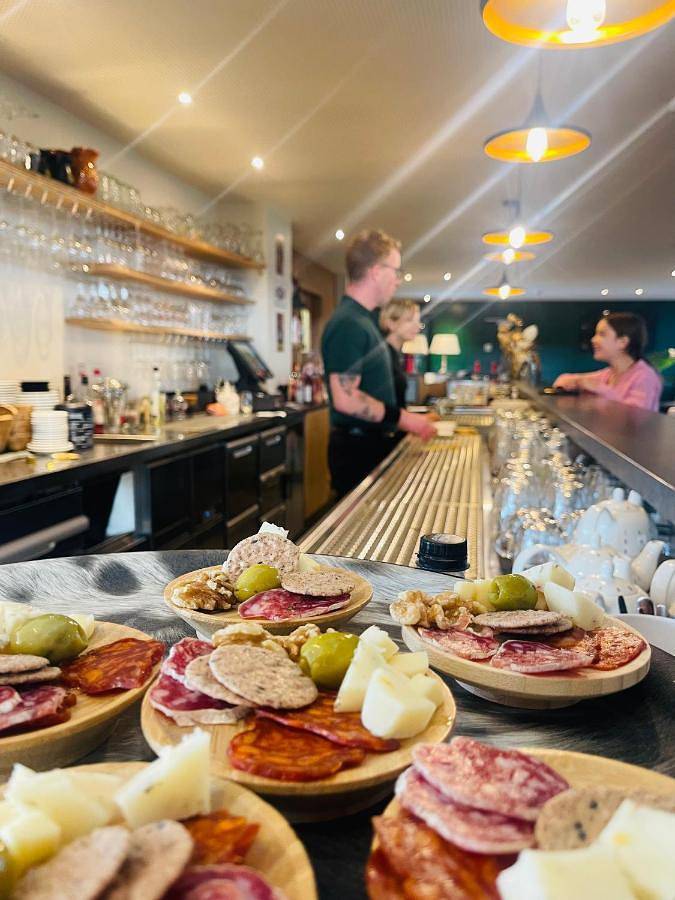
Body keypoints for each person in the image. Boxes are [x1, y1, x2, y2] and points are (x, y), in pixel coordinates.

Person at [321, 229, 436, 497]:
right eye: (395, 271)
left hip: (371, 445)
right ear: (375, 271)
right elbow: (345, 398)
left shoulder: (365, 321)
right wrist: (407, 420)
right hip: (357, 450)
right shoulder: (349, 322)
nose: (398, 280)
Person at [553, 311, 662, 411]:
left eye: (602, 334)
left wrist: (600, 389)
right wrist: (581, 383)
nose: (593, 340)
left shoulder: (645, 376)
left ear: (623, 342)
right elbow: (562, 380)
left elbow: (635, 417)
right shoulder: (608, 374)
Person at [380, 298, 423, 410]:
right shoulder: (382, 356)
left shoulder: (394, 354)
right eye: (409, 320)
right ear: (391, 323)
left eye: (418, 321)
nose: (417, 326)